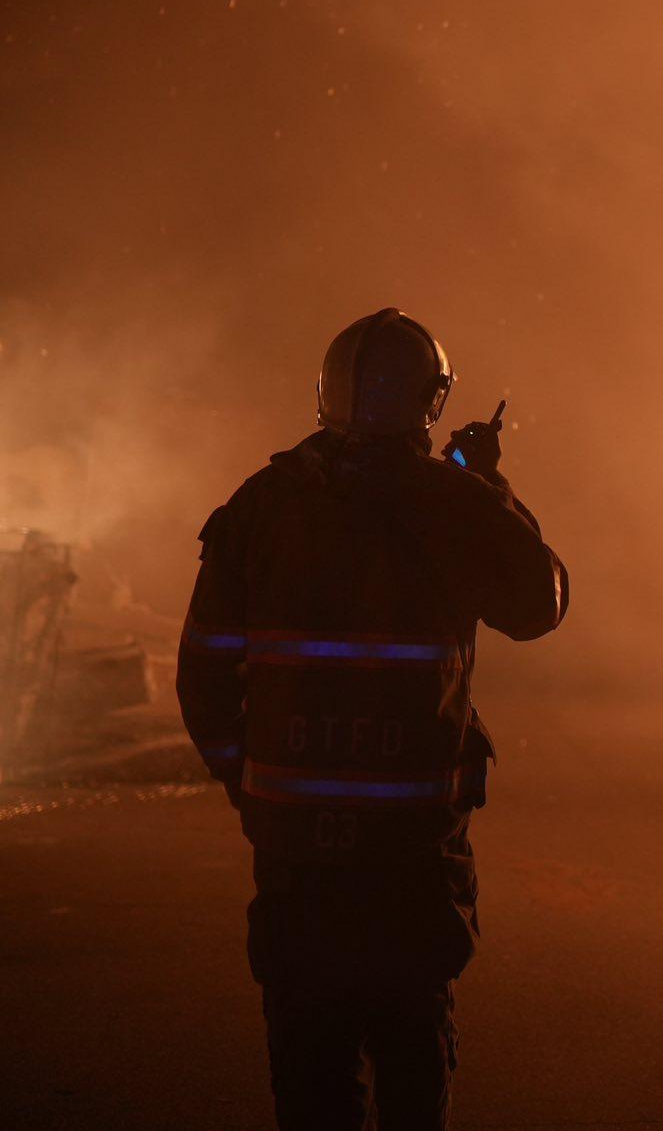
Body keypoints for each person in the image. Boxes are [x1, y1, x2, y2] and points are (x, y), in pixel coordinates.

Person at [176, 308, 568, 1130]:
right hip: (412, 854)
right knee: (410, 1065)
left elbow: (202, 678)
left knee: (310, 1069)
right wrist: (487, 483)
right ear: (431, 400)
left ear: (326, 393)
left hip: (294, 852)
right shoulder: (453, 503)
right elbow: (539, 604)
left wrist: (253, 786)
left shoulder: (259, 507)